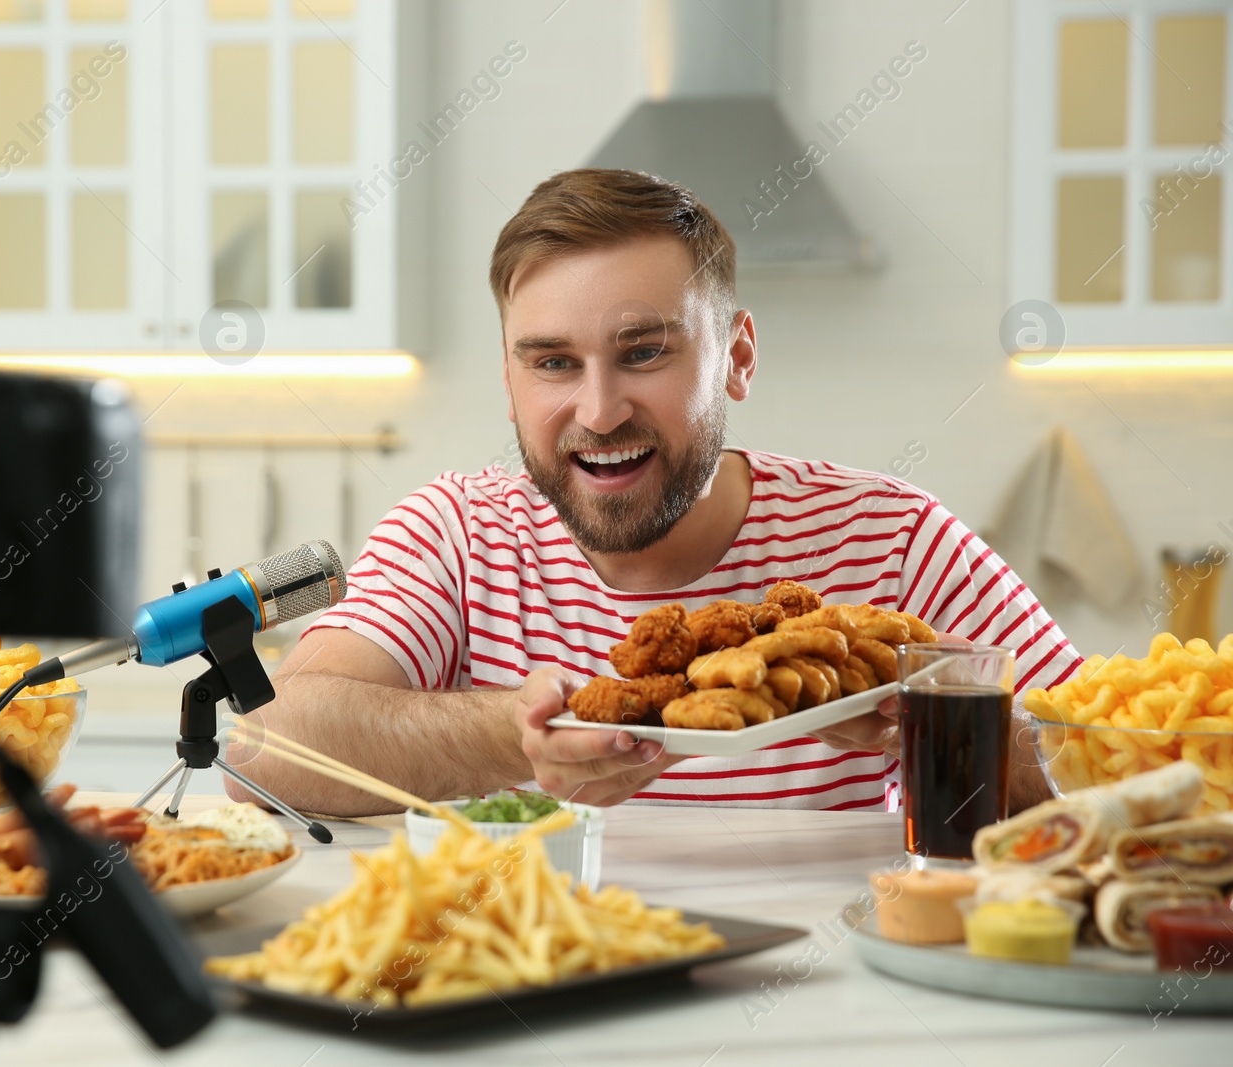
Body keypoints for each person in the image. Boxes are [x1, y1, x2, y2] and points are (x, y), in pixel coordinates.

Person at [224, 169, 1079, 817]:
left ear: (737, 358)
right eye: (553, 362)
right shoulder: (456, 533)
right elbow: (261, 749)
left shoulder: (893, 540)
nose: (598, 411)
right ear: (510, 376)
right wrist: (511, 734)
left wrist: (933, 722)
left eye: (643, 352)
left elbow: (1126, 765)